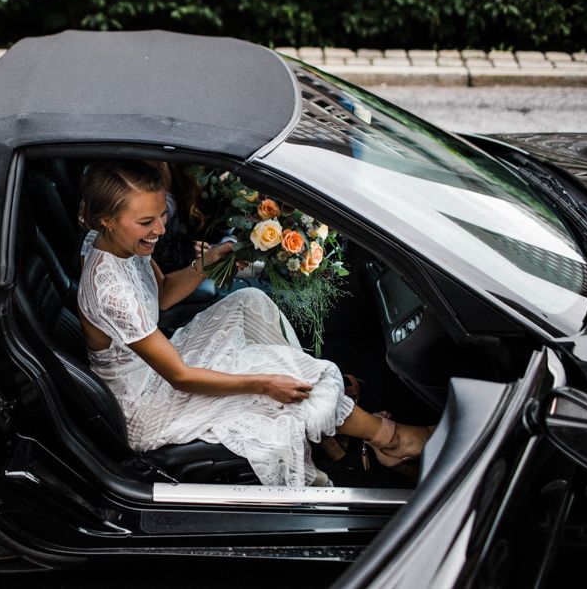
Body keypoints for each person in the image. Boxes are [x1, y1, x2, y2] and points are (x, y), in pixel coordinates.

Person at [76, 159, 432, 487]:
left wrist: (211, 260)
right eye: (146, 222)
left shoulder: (110, 242)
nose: (160, 229)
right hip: (146, 404)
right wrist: (263, 384)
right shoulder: (110, 291)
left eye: (160, 216)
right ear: (107, 218)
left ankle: (325, 417)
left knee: (249, 302)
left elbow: (163, 293)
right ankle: (392, 440)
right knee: (274, 373)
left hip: (158, 368)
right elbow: (179, 376)